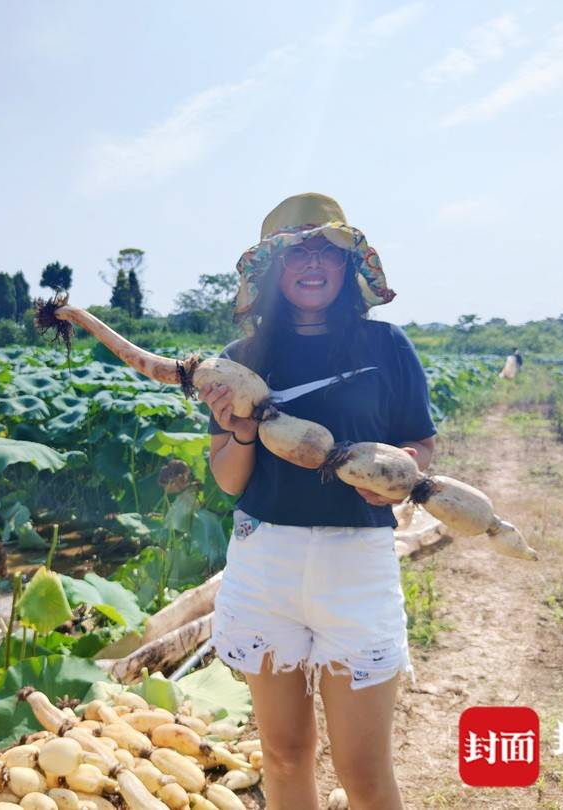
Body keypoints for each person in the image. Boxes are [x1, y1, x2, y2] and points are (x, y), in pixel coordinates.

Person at [197, 193, 436, 810]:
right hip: (264, 558)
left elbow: (420, 442)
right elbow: (228, 480)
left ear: (347, 266)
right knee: (282, 754)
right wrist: (244, 429)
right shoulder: (240, 360)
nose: (310, 263)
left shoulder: (387, 347)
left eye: (324, 251)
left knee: (363, 769)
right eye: (292, 252)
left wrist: (399, 471)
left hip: (356, 562)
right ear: (271, 272)